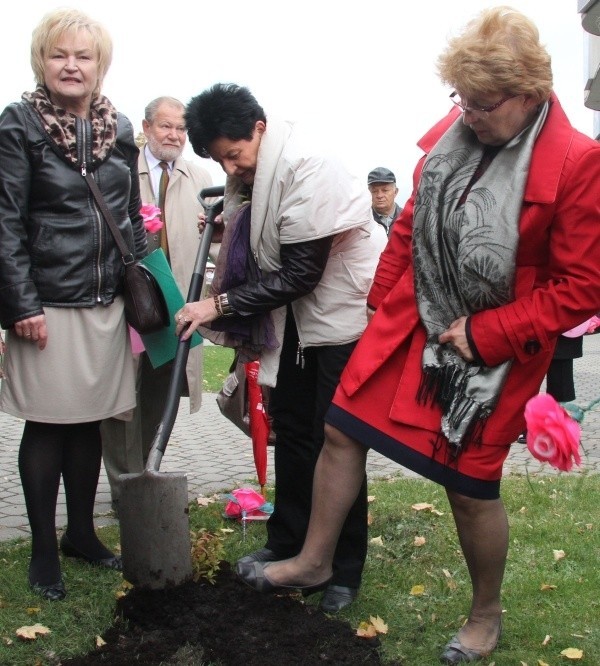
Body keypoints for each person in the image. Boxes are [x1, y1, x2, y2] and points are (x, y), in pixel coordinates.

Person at [236, 7, 600, 663]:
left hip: (495, 341)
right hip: (411, 317)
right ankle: (316, 560)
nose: (471, 115)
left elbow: (581, 285)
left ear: (528, 94)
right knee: (341, 428)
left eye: (484, 104)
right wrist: (380, 299)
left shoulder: (578, 162)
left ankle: (484, 615)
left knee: (468, 486)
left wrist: (488, 332)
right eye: (462, 99)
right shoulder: (452, 134)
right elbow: (407, 224)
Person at [176, 83, 382, 612]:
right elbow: (270, 237)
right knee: (291, 429)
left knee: (337, 440)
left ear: (259, 129)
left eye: (235, 155)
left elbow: (299, 273)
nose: (233, 169)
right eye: (222, 161)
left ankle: (343, 566)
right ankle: (289, 540)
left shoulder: (308, 166)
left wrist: (214, 305)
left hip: (343, 316)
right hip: (297, 323)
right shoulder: (258, 173)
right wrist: (231, 226)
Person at [0, 9, 146, 601]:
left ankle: (81, 534)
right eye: (60, 54)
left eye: (83, 56)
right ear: (42, 60)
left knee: (90, 422)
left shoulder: (122, 126)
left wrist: (149, 291)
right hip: (46, 304)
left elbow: (133, 218)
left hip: (105, 303)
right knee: (48, 424)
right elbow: (5, 220)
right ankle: (42, 547)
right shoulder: (19, 123)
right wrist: (19, 303)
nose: (71, 65)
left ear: (100, 65)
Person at [100, 96, 212, 513]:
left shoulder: (199, 176)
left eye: (181, 129)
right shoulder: (121, 168)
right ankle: (121, 487)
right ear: (146, 128)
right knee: (119, 399)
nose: (174, 136)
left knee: (158, 396)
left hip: (172, 308)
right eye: (166, 127)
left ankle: (146, 471)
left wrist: (215, 231)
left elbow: (213, 240)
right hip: (126, 307)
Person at [367, 167, 401, 236]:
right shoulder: (362, 221)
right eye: (374, 191)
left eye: (385, 190)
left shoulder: (408, 219)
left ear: (395, 192)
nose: (379, 195)